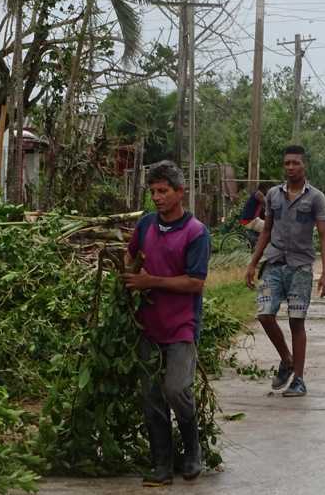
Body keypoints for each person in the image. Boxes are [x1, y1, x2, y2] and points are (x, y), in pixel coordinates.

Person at [123, 160, 211, 487]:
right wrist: (129, 272)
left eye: (163, 191)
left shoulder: (196, 232)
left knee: (176, 389)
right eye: (153, 191)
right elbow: (129, 254)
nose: (157, 198)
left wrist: (151, 282)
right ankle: (162, 463)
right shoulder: (145, 225)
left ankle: (192, 450)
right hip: (147, 324)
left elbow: (195, 283)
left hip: (181, 326)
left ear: (180, 193)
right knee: (151, 396)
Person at [245, 145, 325, 397]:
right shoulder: (273, 195)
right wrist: (252, 263)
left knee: (296, 321)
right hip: (273, 263)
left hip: (301, 267)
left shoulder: (316, 198)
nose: (291, 167)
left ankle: (299, 379)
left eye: (295, 163)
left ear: (304, 166)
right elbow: (266, 231)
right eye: (287, 163)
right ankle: (286, 358)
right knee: (264, 314)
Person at [239, 183, 272, 248]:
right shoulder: (259, 194)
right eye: (268, 189)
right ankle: (260, 245)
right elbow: (267, 204)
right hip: (250, 220)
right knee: (269, 228)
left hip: (251, 219)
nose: (268, 191)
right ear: (264, 189)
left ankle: (257, 243)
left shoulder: (256, 194)